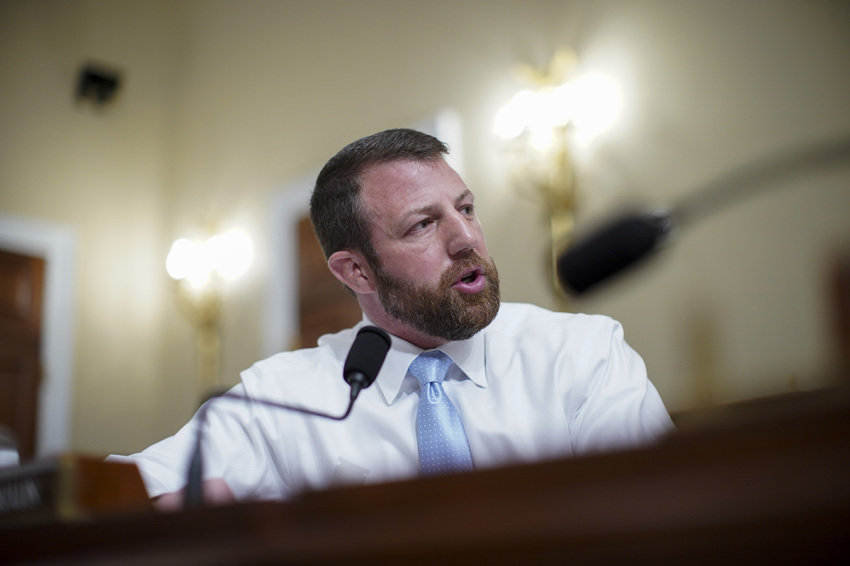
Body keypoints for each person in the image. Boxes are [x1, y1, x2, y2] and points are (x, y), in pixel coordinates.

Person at [109, 128, 674, 509]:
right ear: (355, 271)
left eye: (466, 208)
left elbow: (661, 508)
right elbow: (120, 490)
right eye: (422, 225)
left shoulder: (583, 354)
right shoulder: (280, 398)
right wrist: (175, 508)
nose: (466, 238)